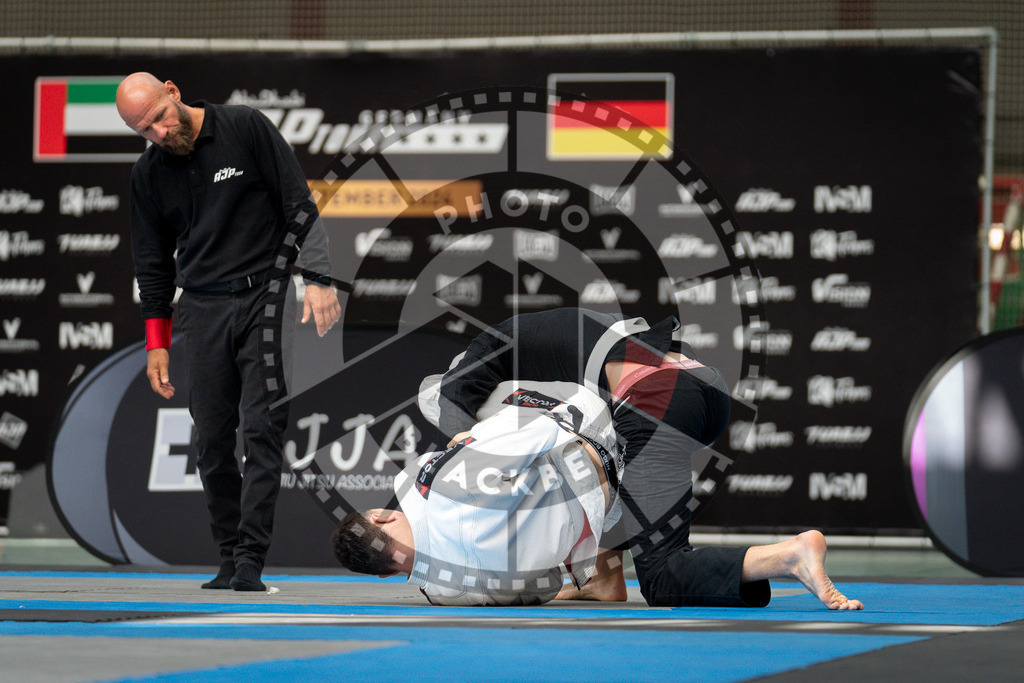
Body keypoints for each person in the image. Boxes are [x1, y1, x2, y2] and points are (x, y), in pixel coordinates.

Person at [434, 308, 862, 610]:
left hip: (659, 398)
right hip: (699, 386)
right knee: (591, 462)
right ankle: (602, 576)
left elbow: (455, 391)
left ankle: (788, 555)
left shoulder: (490, 351)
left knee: (661, 574)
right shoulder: (541, 343)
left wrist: (460, 441)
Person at [116, 73, 341, 591]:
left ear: (173, 91)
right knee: (212, 442)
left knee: (261, 430)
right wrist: (156, 341)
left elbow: (297, 201)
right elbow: (151, 263)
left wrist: (319, 276)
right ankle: (227, 553)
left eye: (158, 118)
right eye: (143, 131)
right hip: (201, 308)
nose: (157, 133)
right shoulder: (148, 173)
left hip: (266, 296)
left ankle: (250, 562)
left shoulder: (244, 126)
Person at [334, 381, 627, 605]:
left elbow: (548, 583)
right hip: (598, 440)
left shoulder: (447, 594)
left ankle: (604, 577)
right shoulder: (438, 485)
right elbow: (540, 431)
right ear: (382, 517)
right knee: (440, 390)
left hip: (606, 511)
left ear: (386, 574)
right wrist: (472, 440)